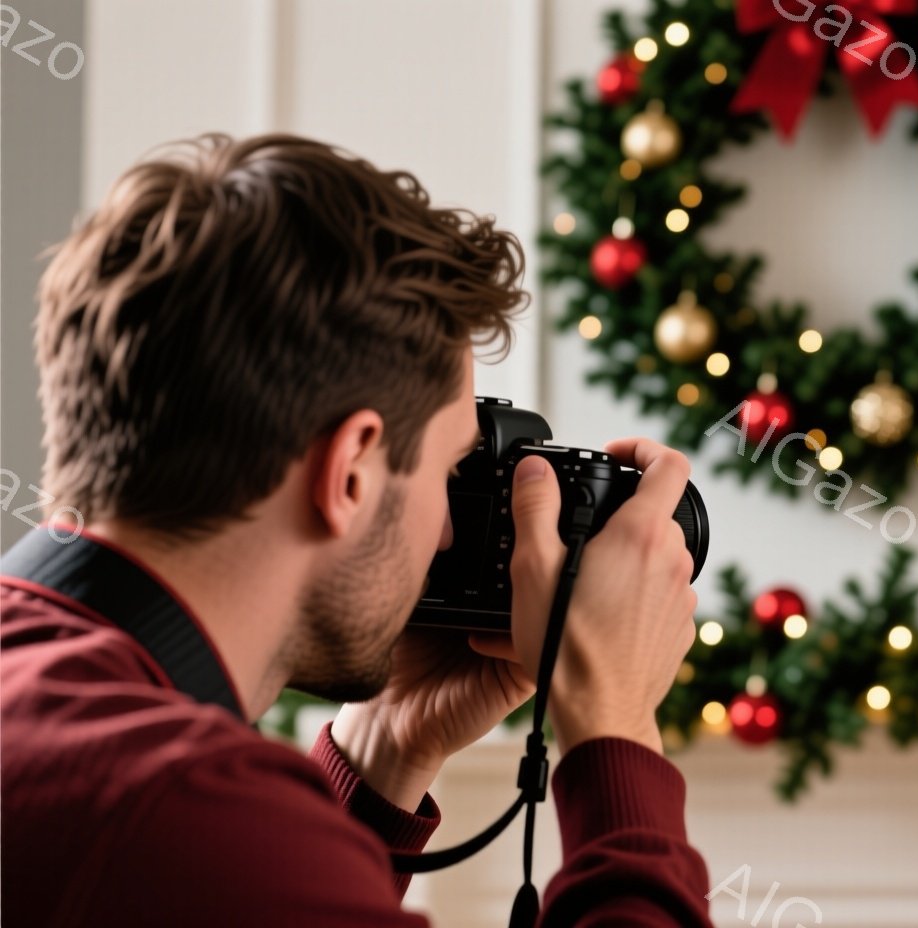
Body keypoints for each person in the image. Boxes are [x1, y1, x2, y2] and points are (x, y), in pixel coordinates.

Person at [0, 133, 713, 926]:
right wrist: (612, 723)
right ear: (349, 472)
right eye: (450, 471)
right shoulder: (175, 810)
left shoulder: (60, 719)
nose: (449, 532)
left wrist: (385, 752)